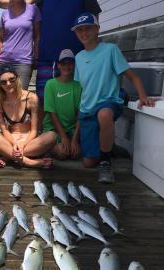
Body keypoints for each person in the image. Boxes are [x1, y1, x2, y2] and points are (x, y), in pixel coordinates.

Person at [71, 12, 155, 183]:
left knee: (105, 114)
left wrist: (143, 96)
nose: (83, 33)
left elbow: (133, 77)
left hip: (108, 103)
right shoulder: (78, 57)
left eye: (88, 28)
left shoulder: (110, 50)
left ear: (97, 29)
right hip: (87, 109)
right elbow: (82, 89)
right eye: (79, 30)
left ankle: (106, 162)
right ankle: (109, 148)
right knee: (87, 163)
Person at [35, 0, 101, 123]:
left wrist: (93, 45)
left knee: (78, 99)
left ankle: (75, 135)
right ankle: (43, 133)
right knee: (43, 98)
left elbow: (94, 17)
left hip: (77, 56)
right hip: (47, 56)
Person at [0, 65, 56, 168]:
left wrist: (22, 144)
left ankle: (8, 156)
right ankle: (28, 161)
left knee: (51, 136)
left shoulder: (31, 98)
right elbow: (4, 130)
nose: (8, 84)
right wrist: (14, 143)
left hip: (29, 141)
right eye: (3, 82)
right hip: (9, 141)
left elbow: (35, 130)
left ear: (17, 78)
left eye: (11, 79)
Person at [43, 49, 82, 160]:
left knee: (75, 154)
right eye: (63, 63)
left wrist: (74, 140)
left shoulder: (79, 86)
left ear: (74, 65)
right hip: (54, 130)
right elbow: (51, 113)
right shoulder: (50, 84)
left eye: (70, 63)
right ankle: (50, 148)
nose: (67, 66)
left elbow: (81, 113)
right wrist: (63, 137)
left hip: (71, 130)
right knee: (62, 153)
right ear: (58, 65)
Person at [0, 0, 41, 90]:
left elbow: (37, 36)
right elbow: (1, 39)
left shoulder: (33, 10)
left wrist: (36, 57)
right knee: (2, 97)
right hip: (4, 61)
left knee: (21, 95)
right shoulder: (5, 13)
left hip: (24, 62)